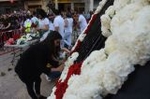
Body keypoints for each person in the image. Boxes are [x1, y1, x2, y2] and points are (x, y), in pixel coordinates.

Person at [15, 31, 65, 99]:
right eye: (57, 42)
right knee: (30, 84)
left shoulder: (47, 47)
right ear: (51, 40)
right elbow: (41, 67)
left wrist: (59, 63)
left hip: (32, 66)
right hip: (23, 69)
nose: (58, 45)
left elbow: (48, 60)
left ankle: (38, 95)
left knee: (38, 80)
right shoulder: (41, 48)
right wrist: (57, 69)